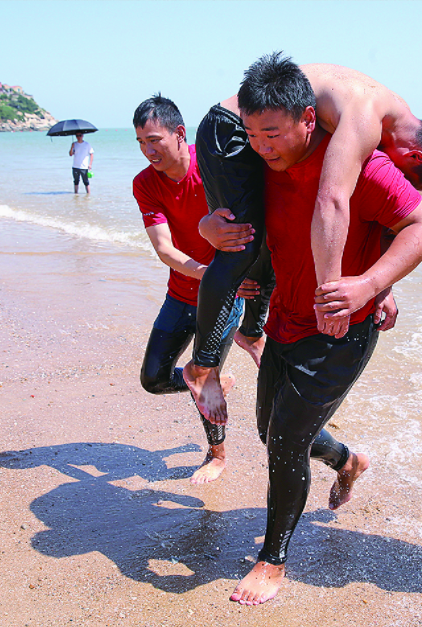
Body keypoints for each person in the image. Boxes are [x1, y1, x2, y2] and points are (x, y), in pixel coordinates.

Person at [226, 53, 422, 606]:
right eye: (252, 134)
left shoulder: (363, 165)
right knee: (268, 429)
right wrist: (214, 230)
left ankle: (273, 561)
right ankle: (348, 460)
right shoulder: (258, 166)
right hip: (288, 318)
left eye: (272, 134)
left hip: (344, 329)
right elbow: (223, 214)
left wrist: (371, 284)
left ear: (307, 118)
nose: (262, 146)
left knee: (286, 440)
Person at [184, 56, 422, 425]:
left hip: (256, 123)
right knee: (241, 245)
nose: (400, 182)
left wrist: (380, 284)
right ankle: (202, 365)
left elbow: (406, 217)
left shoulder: (389, 109)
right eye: (408, 177)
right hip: (231, 127)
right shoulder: (364, 120)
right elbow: (332, 200)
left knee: (264, 238)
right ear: (415, 155)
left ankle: (251, 330)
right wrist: (330, 296)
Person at [132, 94, 245, 484]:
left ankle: (217, 456)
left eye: (154, 140)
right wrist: (210, 274)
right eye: (141, 143)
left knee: (202, 375)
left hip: (226, 300)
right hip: (181, 292)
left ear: (180, 134)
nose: (148, 151)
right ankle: (212, 380)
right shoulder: (145, 184)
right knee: (154, 378)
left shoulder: (214, 167)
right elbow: (165, 249)